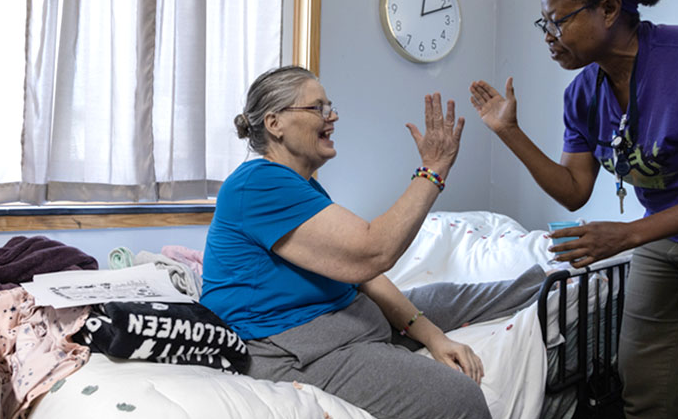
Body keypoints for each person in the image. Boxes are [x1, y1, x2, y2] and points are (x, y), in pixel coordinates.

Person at [469, 0, 678, 418]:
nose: (549, 37)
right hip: (657, 239)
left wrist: (628, 235)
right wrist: (508, 131)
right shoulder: (583, 93)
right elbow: (575, 189)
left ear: (609, 9)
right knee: (642, 381)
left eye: (559, 21)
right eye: (544, 25)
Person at [200, 65, 546, 419]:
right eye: (317, 107)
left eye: (330, 106)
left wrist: (432, 335)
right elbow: (372, 252)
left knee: (450, 296)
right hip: (293, 348)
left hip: (346, 318)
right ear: (275, 123)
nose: (332, 116)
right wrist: (434, 167)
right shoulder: (257, 183)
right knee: (460, 398)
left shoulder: (300, 185)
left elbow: (359, 273)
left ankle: (558, 286)